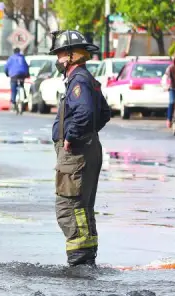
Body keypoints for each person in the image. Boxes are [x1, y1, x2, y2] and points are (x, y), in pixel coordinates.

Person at [49, 30, 111, 267]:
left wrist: (72, 137)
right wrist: (86, 134)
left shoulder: (79, 81)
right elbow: (103, 113)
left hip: (75, 155)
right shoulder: (87, 79)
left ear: (71, 56)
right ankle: (86, 260)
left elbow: (85, 113)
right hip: (87, 150)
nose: (57, 60)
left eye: (60, 54)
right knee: (82, 208)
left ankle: (80, 263)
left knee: (69, 207)